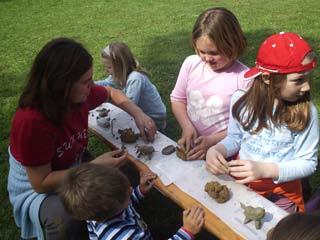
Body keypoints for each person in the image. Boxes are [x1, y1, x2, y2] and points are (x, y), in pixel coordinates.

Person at [7, 37, 157, 240]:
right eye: (86, 82)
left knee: (123, 180)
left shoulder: (78, 96)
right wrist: (94, 166)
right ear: (62, 85)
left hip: (74, 164)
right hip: (39, 189)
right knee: (65, 219)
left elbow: (112, 92)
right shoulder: (32, 122)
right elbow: (41, 183)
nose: (92, 86)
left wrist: (139, 113)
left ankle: (127, 225)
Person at [206, 32, 319, 213]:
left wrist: (264, 170)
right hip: (243, 183)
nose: (307, 87)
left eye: (307, 78)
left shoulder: (306, 112)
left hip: (282, 193)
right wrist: (217, 149)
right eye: (298, 80)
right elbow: (235, 138)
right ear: (267, 78)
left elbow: (308, 162)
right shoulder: (241, 101)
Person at [170, 7, 252, 160]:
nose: (207, 58)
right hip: (193, 145)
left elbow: (245, 127)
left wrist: (212, 141)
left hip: (224, 152)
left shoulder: (244, 78)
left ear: (233, 45)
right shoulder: (191, 64)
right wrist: (187, 126)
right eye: (201, 51)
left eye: (214, 53)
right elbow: (178, 99)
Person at [58, 163, 205, 240]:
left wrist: (139, 191)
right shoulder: (123, 236)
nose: (130, 188)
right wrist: (187, 232)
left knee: (175, 220)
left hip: (142, 232)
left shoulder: (100, 211)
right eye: (128, 193)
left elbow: (125, 206)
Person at [95, 42, 167, 131]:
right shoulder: (118, 76)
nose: (106, 70)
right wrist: (90, 84)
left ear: (121, 66)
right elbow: (105, 83)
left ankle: (159, 127)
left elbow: (129, 105)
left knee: (121, 125)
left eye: (109, 67)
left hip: (154, 116)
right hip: (142, 112)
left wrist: (111, 100)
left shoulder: (135, 78)